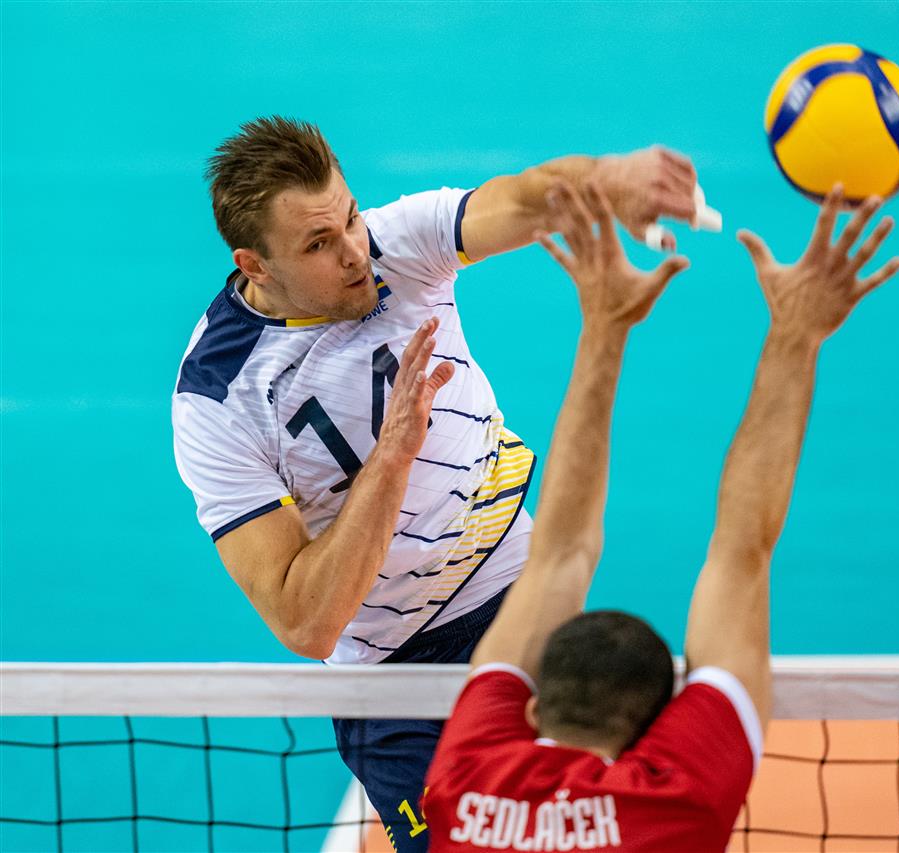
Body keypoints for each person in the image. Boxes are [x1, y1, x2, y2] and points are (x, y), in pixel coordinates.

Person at [171, 115, 701, 852]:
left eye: (349, 217)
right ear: (253, 264)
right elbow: (306, 622)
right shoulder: (218, 398)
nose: (353, 253)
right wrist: (392, 457)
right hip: (393, 677)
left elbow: (526, 197)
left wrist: (610, 179)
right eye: (318, 245)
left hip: (521, 601)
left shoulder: (397, 245)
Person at [419, 181, 899, 851]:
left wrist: (604, 327)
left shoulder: (463, 784)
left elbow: (560, 553)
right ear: (654, 733)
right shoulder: (678, 802)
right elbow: (741, 554)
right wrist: (796, 333)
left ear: (531, 708)